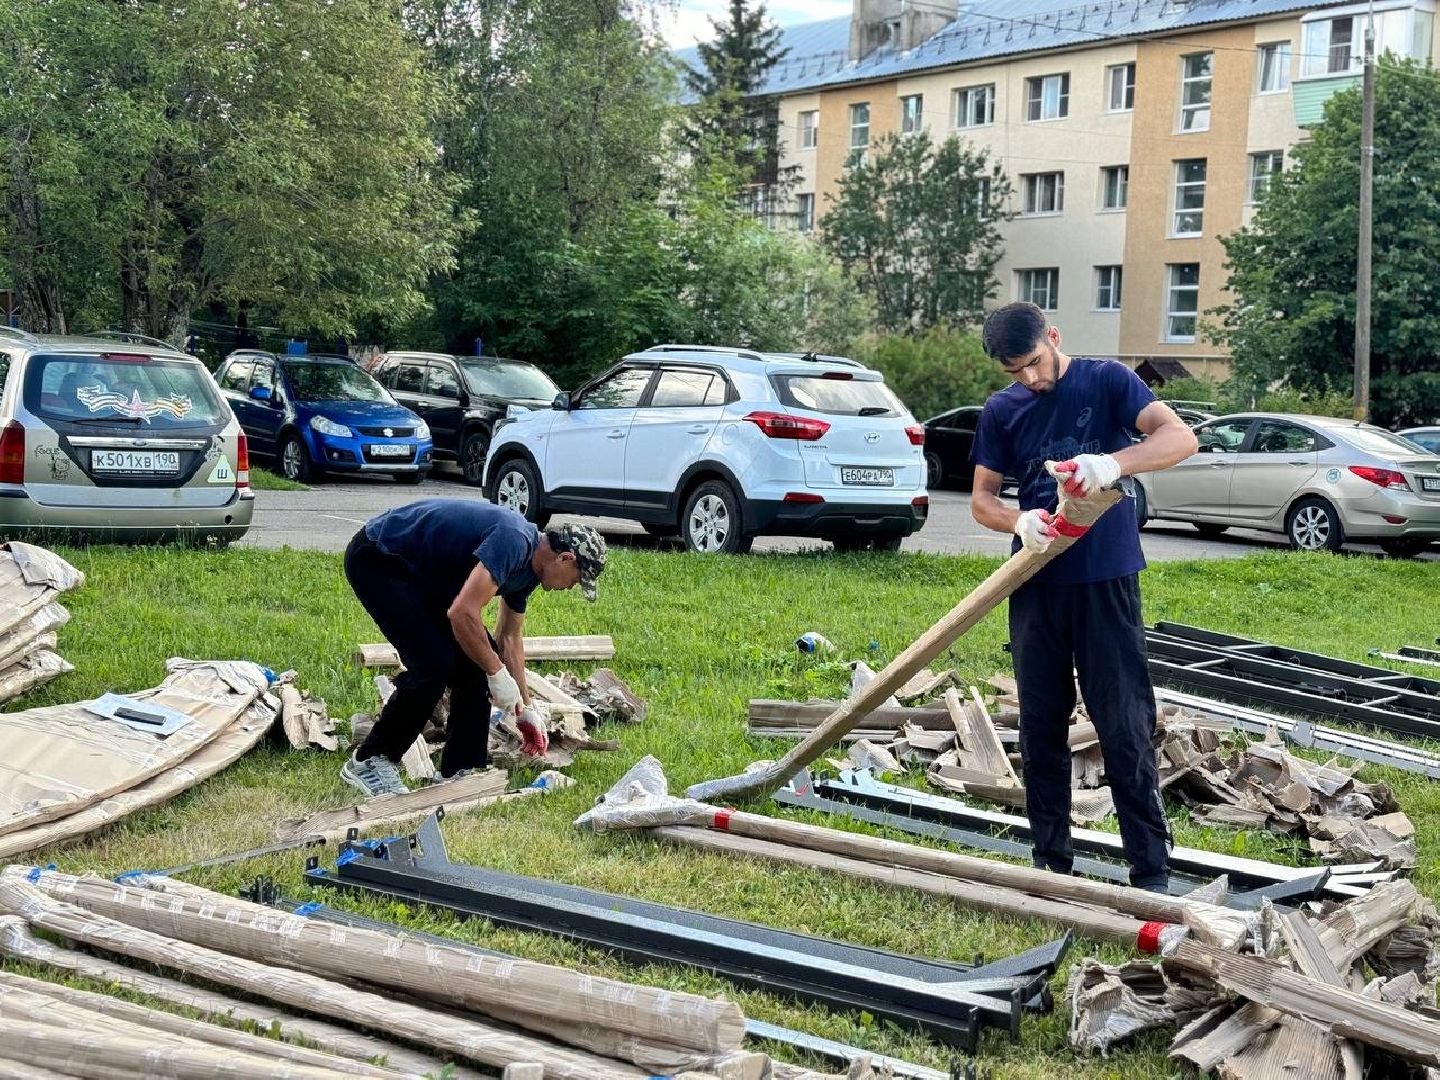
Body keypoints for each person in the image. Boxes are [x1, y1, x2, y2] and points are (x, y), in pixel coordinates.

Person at [969, 302, 1198, 892]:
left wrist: (1109, 463)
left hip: (1106, 581)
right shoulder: (1003, 410)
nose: (1030, 379)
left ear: (1054, 335)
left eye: (1035, 364)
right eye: (1014, 371)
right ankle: (1051, 865)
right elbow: (982, 500)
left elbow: (1180, 438)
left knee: (1123, 723)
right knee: (1041, 727)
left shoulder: (1108, 380)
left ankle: (1149, 870)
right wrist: (1018, 522)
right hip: (1035, 582)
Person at [340, 499, 606, 796]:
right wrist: (496, 671)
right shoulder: (514, 541)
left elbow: (508, 638)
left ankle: (460, 771)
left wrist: (525, 709)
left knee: (477, 667)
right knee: (433, 665)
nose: (570, 588)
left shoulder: (532, 571)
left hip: (423, 575)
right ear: (566, 558)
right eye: (577, 580)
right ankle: (369, 761)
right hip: (380, 557)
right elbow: (462, 612)